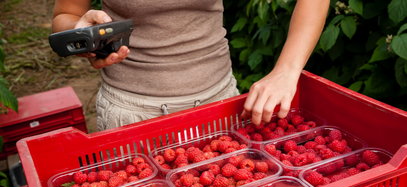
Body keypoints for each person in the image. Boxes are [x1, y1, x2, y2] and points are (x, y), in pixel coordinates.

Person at [52, 0, 329, 131]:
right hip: (131, 112)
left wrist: (286, 71)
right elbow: (66, 15)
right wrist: (81, 34)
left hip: (220, 104)